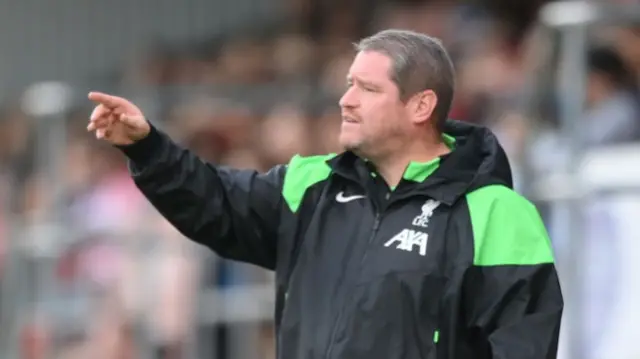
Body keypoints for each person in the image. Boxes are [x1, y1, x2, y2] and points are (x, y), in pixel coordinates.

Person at [87, 29, 563, 359]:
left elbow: (523, 342)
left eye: (367, 88)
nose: (346, 99)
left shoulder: (498, 212)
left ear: (421, 105)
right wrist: (147, 146)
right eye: (347, 84)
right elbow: (215, 202)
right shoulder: (310, 185)